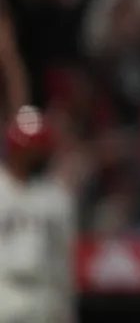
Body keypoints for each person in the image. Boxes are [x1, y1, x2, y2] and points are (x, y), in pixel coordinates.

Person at [0, 106, 76, 323]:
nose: (39, 154)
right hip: (4, 290)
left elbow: (63, 259)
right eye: (32, 148)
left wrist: (66, 309)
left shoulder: (57, 197)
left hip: (44, 294)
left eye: (41, 148)